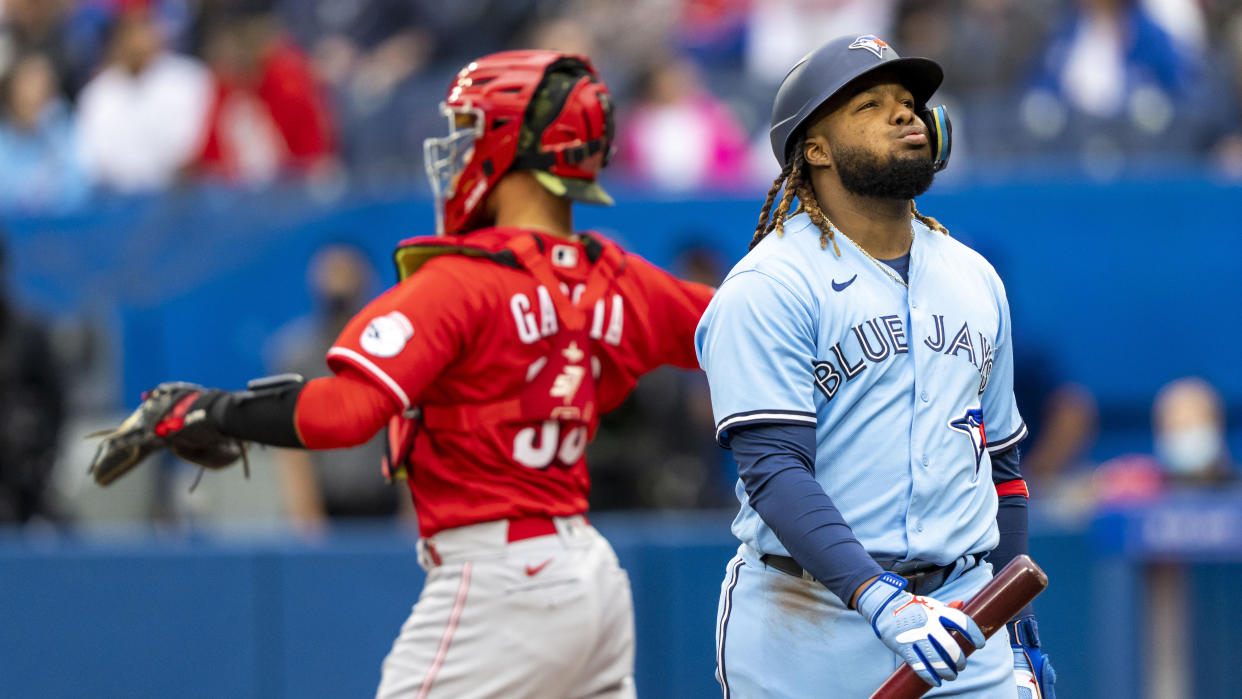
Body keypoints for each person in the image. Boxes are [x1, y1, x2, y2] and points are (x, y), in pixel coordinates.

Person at [89, 49, 713, 698]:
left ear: (514, 145)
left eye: (473, 129)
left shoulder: (462, 281)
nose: (459, 148)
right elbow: (751, 329)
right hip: (591, 574)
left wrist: (210, 410)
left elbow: (345, 413)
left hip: (500, 579)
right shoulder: (617, 277)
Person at [695, 35, 1055, 696]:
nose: (906, 115)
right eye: (871, 103)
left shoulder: (974, 278)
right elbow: (775, 472)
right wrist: (880, 598)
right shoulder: (770, 283)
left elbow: (1002, 470)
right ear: (816, 148)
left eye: (910, 102)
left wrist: (1019, 629)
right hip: (804, 622)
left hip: (964, 617)